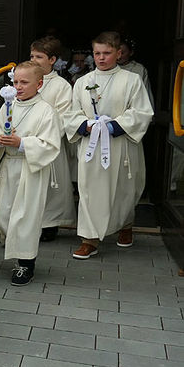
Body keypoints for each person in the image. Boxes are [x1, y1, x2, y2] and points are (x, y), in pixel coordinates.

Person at [66, 31, 154, 259]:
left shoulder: (132, 79)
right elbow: (71, 112)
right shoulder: (83, 82)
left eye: (107, 53)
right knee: (89, 191)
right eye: (97, 53)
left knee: (124, 188)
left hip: (120, 143)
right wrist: (85, 125)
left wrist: (114, 127)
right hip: (91, 145)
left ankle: (125, 225)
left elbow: (142, 111)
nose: (101, 58)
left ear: (118, 53)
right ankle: (89, 238)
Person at [0, 62, 62, 286]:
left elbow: (50, 144)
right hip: (9, 165)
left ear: (39, 84)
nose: (18, 87)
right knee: (0, 214)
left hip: (30, 169)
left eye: (24, 82)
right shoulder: (7, 106)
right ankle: (12, 244)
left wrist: (22, 143)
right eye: (15, 82)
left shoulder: (46, 111)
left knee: (25, 218)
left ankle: (25, 264)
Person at [29, 36, 76, 240]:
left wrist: (43, 133)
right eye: (31, 55)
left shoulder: (61, 86)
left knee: (51, 186)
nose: (34, 60)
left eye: (39, 56)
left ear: (52, 60)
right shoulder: (25, 79)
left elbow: (64, 116)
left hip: (49, 143)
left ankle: (49, 224)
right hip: (27, 143)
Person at [118, 38, 155, 111]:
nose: (119, 56)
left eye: (122, 53)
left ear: (131, 53)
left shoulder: (139, 69)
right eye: (117, 53)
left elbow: (145, 92)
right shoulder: (110, 67)